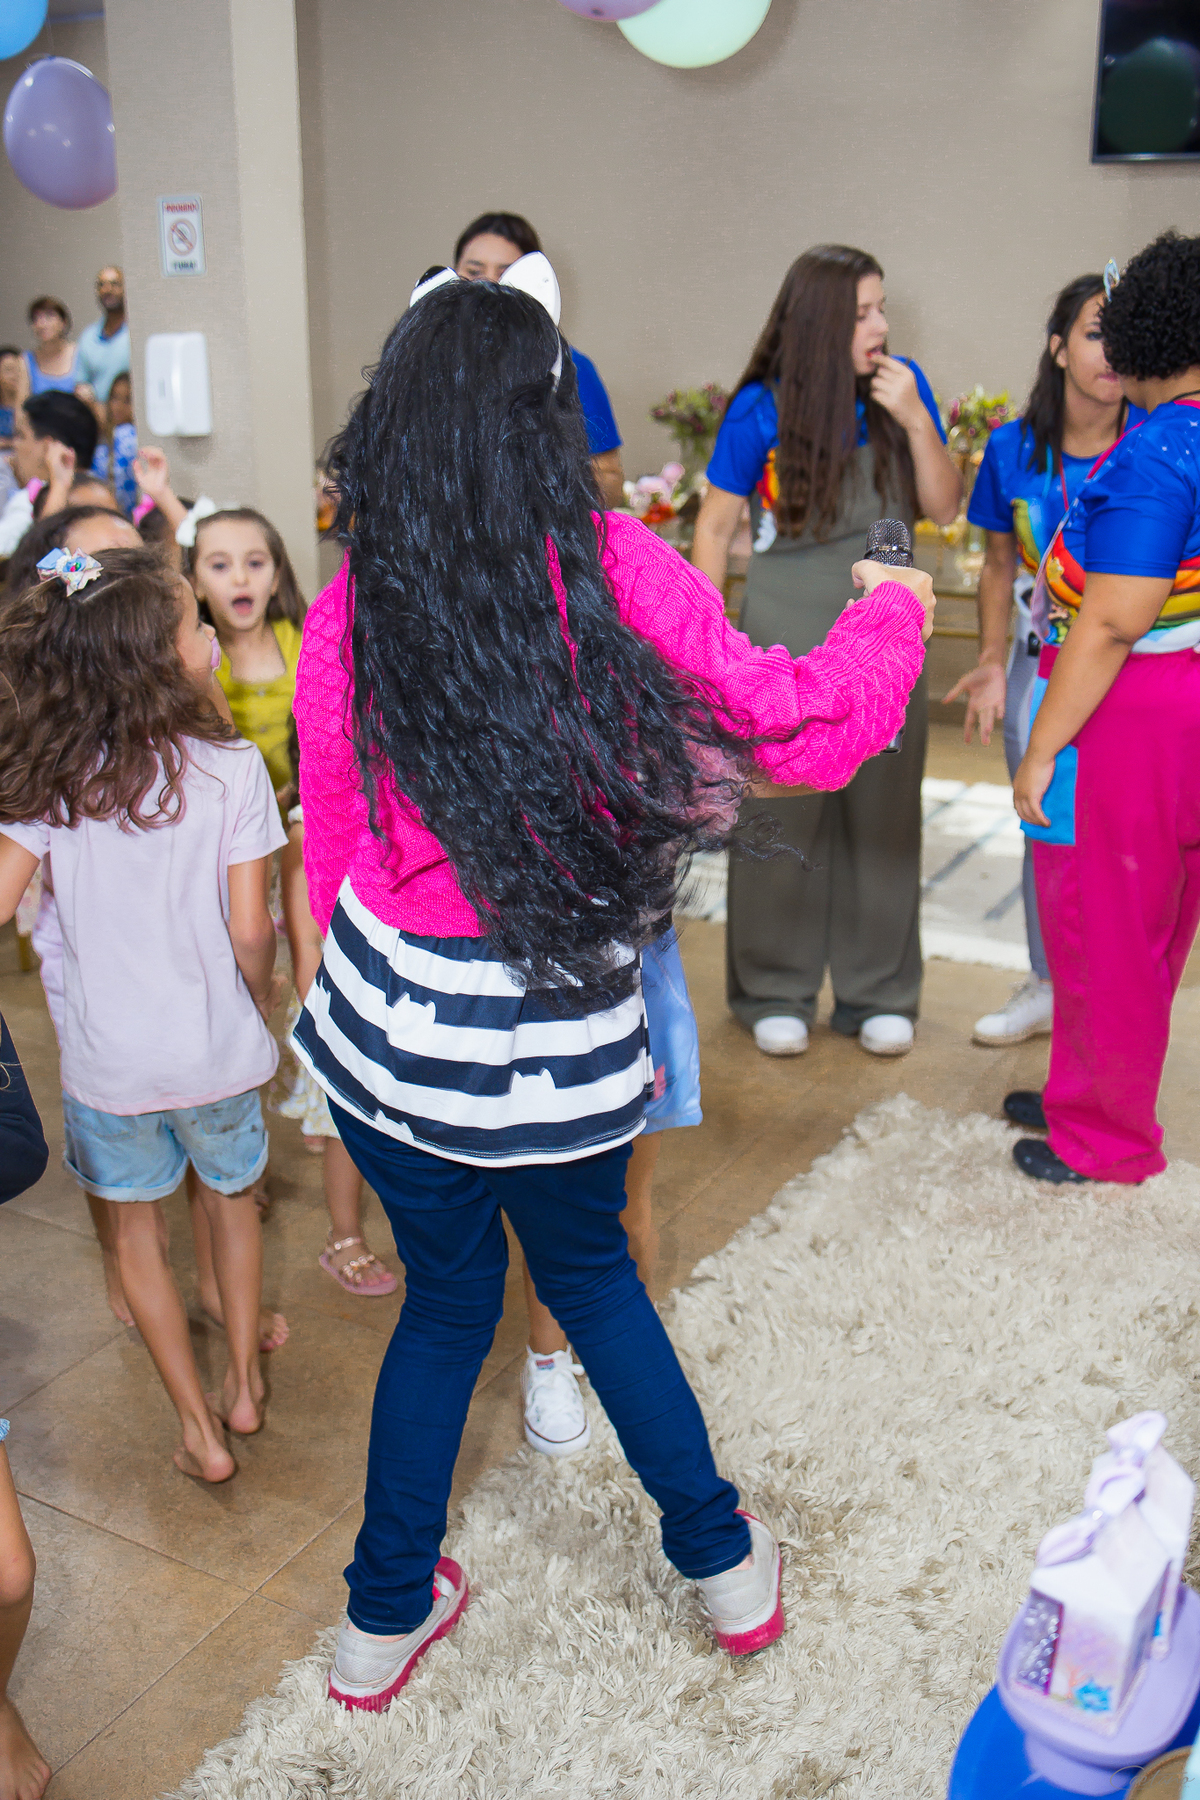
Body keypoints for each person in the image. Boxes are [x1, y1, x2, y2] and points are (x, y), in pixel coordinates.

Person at [290, 271, 933, 1708]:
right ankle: (726, 1566)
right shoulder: (612, 568)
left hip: (387, 1030)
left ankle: (380, 1620)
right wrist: (891, 614)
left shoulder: (352, 604)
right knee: (594, 1283)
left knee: (443, 1310)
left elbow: (335, 845)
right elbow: (798, 726)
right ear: (541, 418)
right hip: (552, 1030)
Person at [0, 547, 287, 1476]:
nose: (210, 634)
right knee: (232, 1207)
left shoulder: (51, 778)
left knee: (136, 1235)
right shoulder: (233, 768)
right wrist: (261, 996)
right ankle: (243, 1385)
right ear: (159, 660)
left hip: (110, 1066)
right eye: (196, 623)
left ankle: (197, 1430)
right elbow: (251, 929)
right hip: (217, 1052)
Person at [693, 244, 961, 1060]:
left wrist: (916, 419)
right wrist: (706, 651)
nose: (881, 325)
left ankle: (880, 991)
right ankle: (773, 987)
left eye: (882, 308)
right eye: (863, 312)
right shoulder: (760, 408)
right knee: (783, 807)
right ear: (819, 322)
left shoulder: (902, 390)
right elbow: (715, 527)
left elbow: (944, 507)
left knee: (885, 811)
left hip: (886, 633)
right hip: (784, 628)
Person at [1011, 230, 1200, 1185]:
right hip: (1181, 704)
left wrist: (1042, 746)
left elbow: (1116, 618)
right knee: (1151, 924)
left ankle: (1105, 1138)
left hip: (1125, 715)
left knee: (1101, 925)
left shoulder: (1161, 449)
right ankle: (1087, 1090)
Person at [946, 275, 1141, 1049]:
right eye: (1095, 332)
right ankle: (1047, 982)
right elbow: (998, 565)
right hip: (1039, 659)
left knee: (1126, 831)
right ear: (1058, 348)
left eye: (1124, 334)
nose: (1112, 351)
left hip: (1132, 660)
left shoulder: (1154, 440)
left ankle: (1115, 994)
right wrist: (993, 660)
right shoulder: (1010, 448)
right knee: (1044, 823)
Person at [277, 763, 398, 1297]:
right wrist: (326, 1024)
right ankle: (344, 1235)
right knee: (341, 1131)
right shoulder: (305, 831)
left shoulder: (395, 805)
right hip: (336, 1007)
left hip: (393, 1001)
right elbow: (307, 941)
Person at [453, 211, 625, 508]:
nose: (489, 284)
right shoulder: (423, 366)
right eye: (474, 271)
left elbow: (610, 479)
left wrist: (544, 494)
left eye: (507, 273)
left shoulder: (571, 368)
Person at [188, 508, 306, 800]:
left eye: (255, 563)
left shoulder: (308, 643)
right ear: (195, 585)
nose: (240, 578)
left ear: (276, 578)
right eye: (220, 566)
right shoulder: (192, 657)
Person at [0, 394, 100, 557]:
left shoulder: (29, 503)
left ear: (48, 447)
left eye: (21, 435)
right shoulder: (105, 493)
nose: (15, 445)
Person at [74, 266, 130, 408]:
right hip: (98, 414)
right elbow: (81, 383)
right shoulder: (88, 336)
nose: (107, 290)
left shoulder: (134, 333)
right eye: (101, 285)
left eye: (114, 284)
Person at [91, 371, 138, 515]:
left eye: (127, 400)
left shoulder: (127, 437)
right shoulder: (105, 438)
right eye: (114, 398)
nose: (118, 406)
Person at [17, 297, 79, 400]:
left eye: (49, 317)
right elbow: (21, 406)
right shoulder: (25, 361)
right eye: (36, 318)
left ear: (63, 322)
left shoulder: (80, 354)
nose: (41, 324)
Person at [0, 347, 21, 447]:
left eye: (19, 370)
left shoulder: (32, 408)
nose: (15, 375)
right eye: (9, 370)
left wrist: (7, 443)